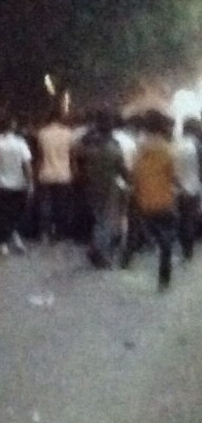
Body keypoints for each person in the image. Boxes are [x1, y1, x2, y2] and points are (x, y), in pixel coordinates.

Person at [124, 110, 177, 290]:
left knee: (137, 230)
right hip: (164, 200)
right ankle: (164, 278)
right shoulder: (168, 150)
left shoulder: (139, 150)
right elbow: (174, 176)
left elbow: (133, 175)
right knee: (166, 238)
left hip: (143, 200)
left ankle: (127, 258)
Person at [78, 110, 127, 268]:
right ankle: (98, 252)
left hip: (90, 183)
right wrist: (128, 180)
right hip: (109, 185)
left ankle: (96, 247)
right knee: (105, 221)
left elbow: (79, 158)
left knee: (98, 217)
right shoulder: (113, 145)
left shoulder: (87, 142)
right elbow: (121, 166)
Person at [0, 116, 33, 254]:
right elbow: (27, 165)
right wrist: (30, 183)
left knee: (3, 213)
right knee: (16, 213)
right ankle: (15, 236)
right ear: (12, 127)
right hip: (18, 184)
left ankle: (4, 243)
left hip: (0, 183)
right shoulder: (20, 143)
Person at [36, 106, 75, 242]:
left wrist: (36, 172)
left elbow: (40, 156)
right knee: (61, 205)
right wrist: (74, 172)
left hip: (46, 173)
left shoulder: (42, 133)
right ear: (60, 118)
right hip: (63, 174)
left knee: (46, 204)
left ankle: (44, 232)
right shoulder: (68, 134)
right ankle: (59, 232)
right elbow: (72, 156)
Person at [173, 118, 202, 260]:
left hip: (177, 188)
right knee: (189, 219)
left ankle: (181, 245)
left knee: (180, 218)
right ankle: (188, 250)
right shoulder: (197, 146)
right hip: (193, 187)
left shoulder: (175, 144)